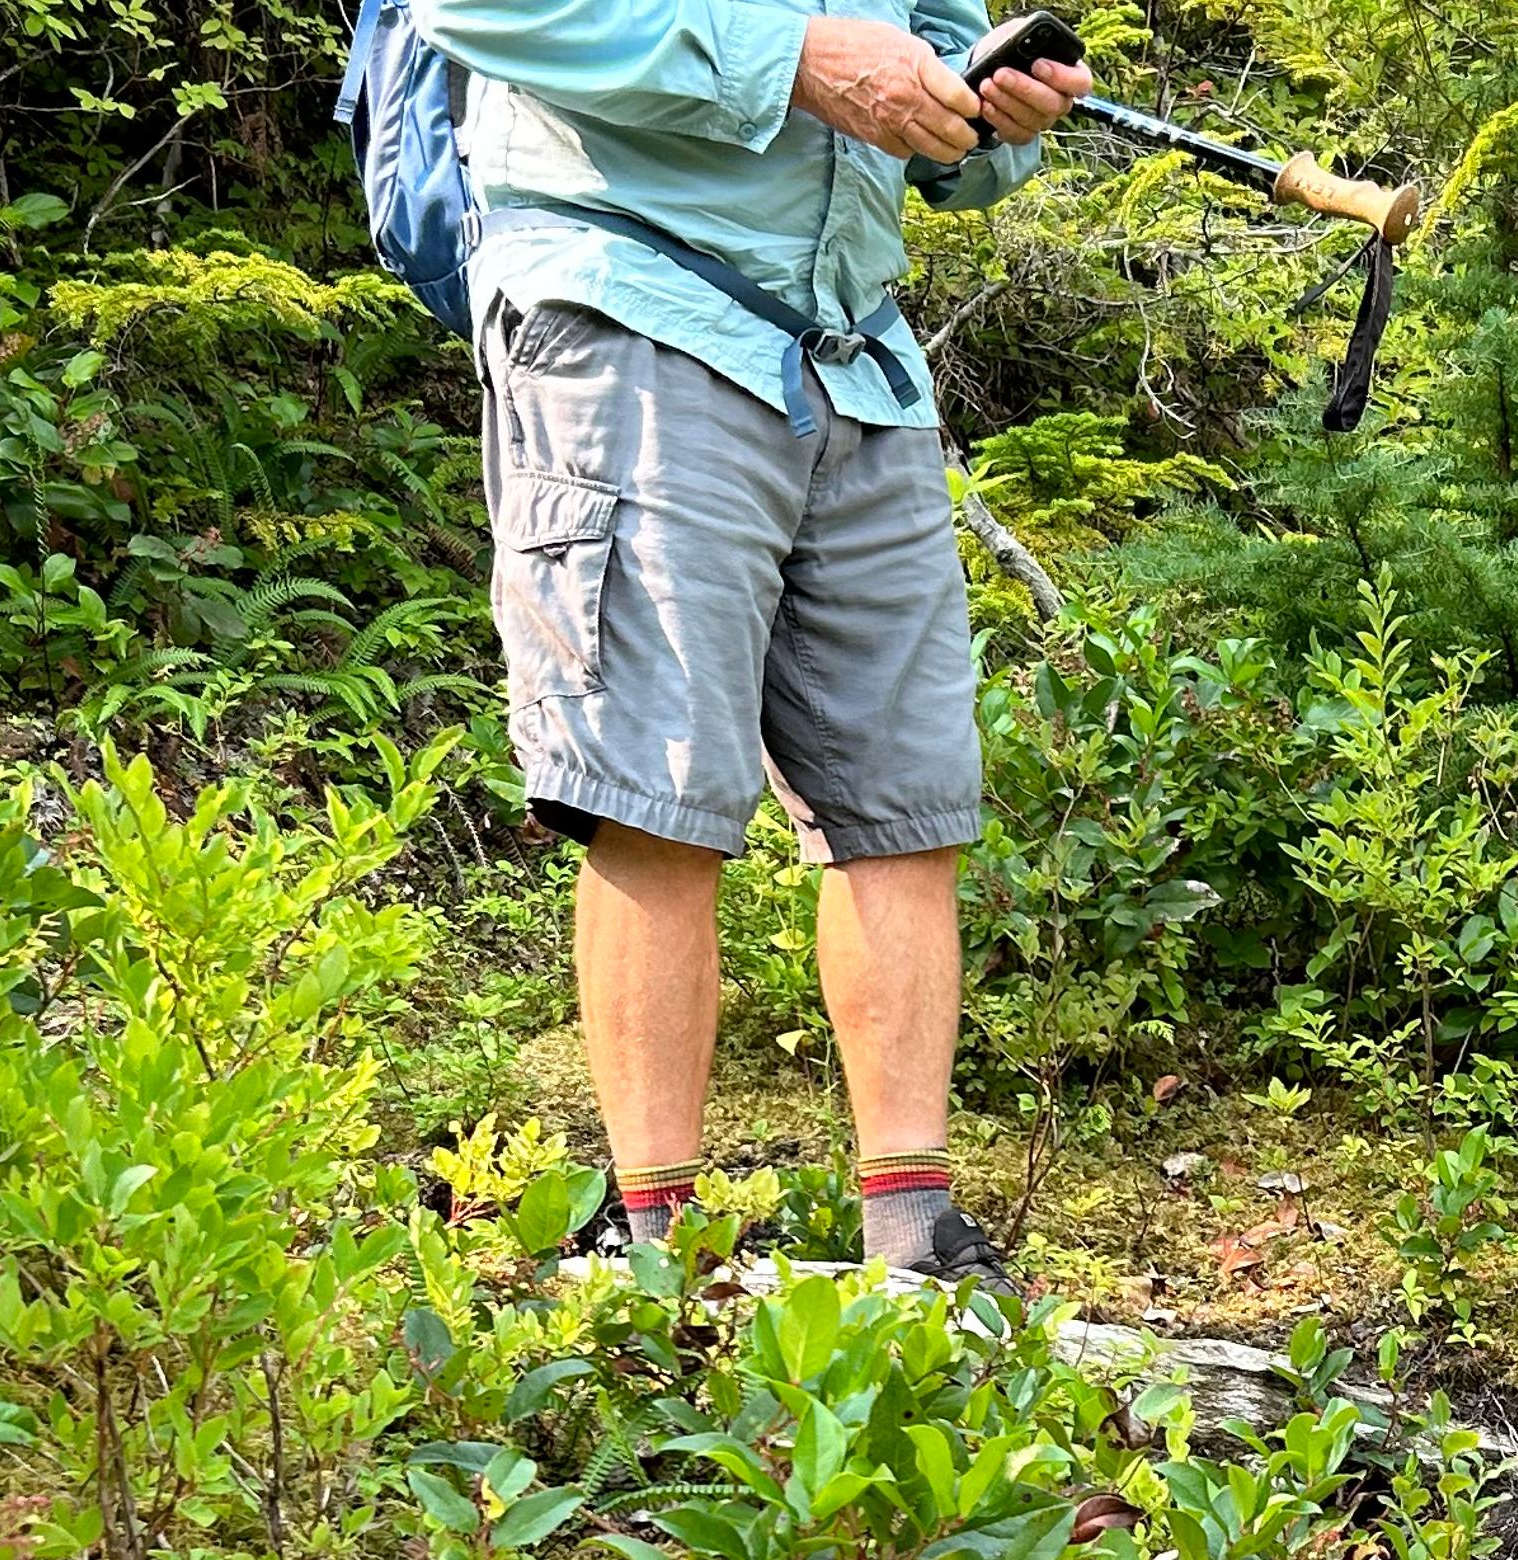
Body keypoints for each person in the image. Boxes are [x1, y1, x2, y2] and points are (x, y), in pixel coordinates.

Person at [408, 0, 1091, 1276]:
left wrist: (987, 115)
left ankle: (915, 1239)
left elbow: (932, 70)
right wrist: (794, 62)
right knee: (655, 788)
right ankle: (655, 1255)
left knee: (907, 801)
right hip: (630, 305)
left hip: (857, 355)